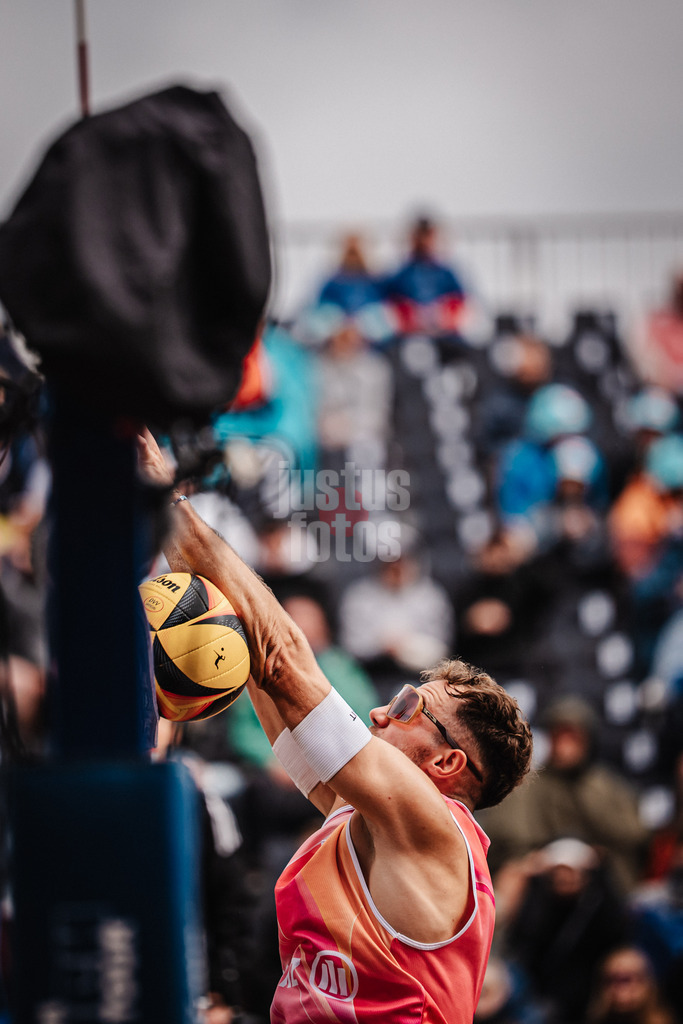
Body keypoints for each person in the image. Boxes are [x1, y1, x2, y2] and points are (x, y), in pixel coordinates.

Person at [138, 428, 534, 1024]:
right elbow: (264, 673)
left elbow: (282, 660)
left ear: (447, 762)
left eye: (406, 706)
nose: (378, 711)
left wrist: (167, 503)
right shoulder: (365, 818)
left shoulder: (437, 827)